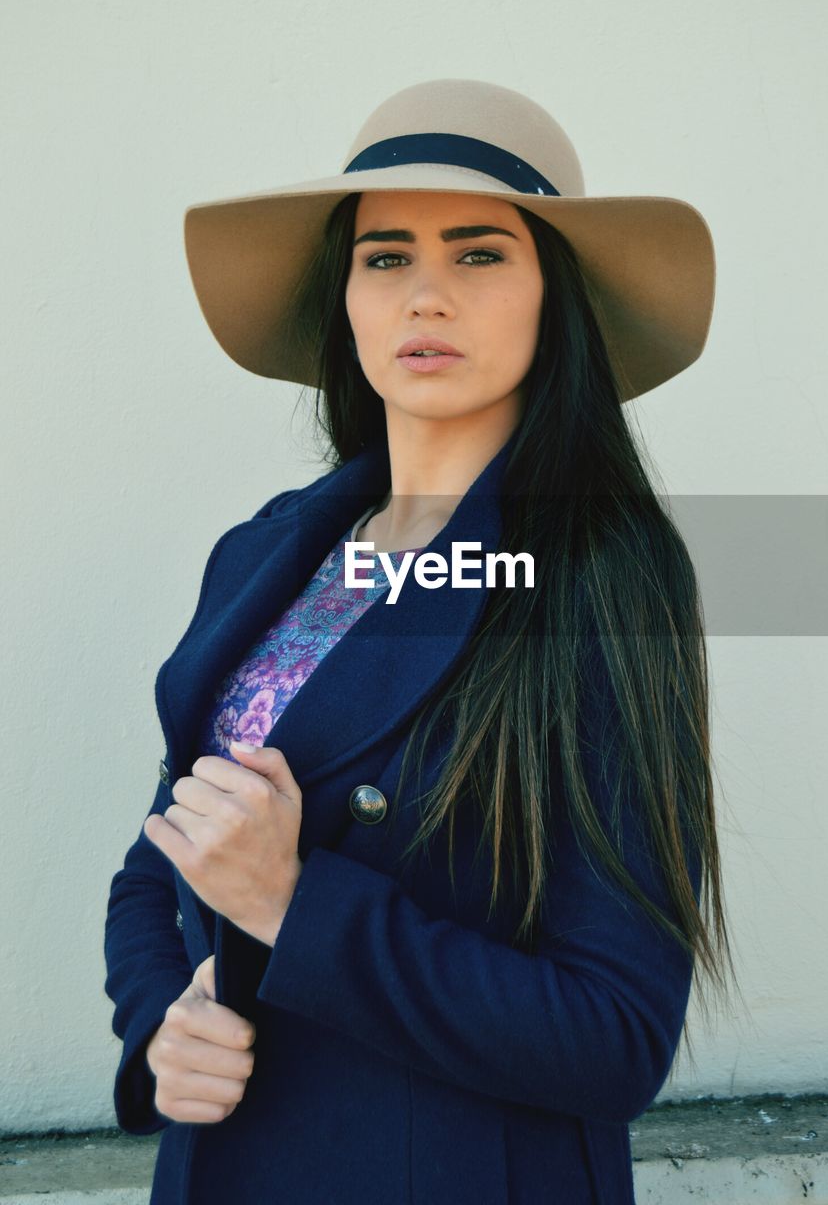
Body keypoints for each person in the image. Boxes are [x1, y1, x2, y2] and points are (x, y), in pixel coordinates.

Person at [104, 78, 737, 1205]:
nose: (425, 295)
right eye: (386, 256)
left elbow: (613, 1033)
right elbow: (165, 853)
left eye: (481, 253)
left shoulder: (601, 578)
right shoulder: (265, 553)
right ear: (344, 296)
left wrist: (295, 906)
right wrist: (162, 1025)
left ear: (555, 295)